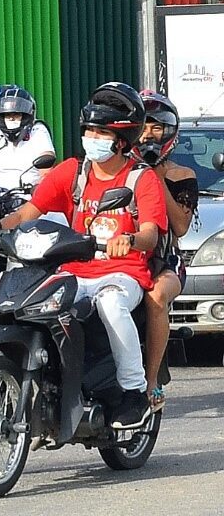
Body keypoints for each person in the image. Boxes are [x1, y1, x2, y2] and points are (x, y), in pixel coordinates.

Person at [0, 82, 167, 429]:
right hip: (75, 271)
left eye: (101, 132)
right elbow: (28, 211)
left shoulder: (141, 179)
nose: (92, 138)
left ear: (121, 139)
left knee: (110, 304)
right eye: (89, 130)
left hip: (123, 274)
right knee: (30, 302)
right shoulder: (72, 172)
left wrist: (131, 239)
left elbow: (151, 232)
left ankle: (134, 392)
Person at [133, 90, 197, 411]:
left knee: (156, 296)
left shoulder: (182, 175)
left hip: (166, 261)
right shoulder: (122, 168)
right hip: (125, 256)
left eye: (157, 127)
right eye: (144, 125)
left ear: (169, 132)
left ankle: (151, 379)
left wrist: (156, 177)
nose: (149, 133)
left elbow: (181, 226)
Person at [0, 84, 55, 191]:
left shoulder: (37, 132)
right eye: (7, 115)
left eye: (16, 114)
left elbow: (46, 168)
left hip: (29, 197)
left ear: (26, 115)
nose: (11, 118)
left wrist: (38, 189)